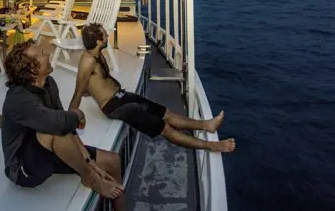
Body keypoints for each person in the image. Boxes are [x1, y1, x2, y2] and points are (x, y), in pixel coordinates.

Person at [69, 23, 236, 153]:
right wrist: (69, 121)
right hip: (114, 106)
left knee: (166, 114)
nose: (107, 35)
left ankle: (206, 125)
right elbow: (78, 91)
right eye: (104, 35)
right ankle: (213, 146)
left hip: (121, 96)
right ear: (99, 41)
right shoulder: (88, 61)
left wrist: (92, 89)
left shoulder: (96, 54)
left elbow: (90, 86)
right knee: (165, 129)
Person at [0, 40, 125, 210]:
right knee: (56, 130)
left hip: (52, 149)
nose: (48, 54)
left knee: (112, 160)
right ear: (31, 68)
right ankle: (89, 178)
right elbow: (59, 124)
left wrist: (89, 161)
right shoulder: (18, 98)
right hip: (23, 168)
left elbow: (66, 124)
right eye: (42, 54)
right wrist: (78, 114)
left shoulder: (49, 83)